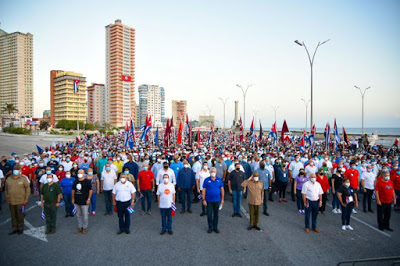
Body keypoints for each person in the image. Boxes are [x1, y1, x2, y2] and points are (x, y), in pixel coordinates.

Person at [5, 165, 30, 235]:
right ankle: (15, 228)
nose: (15, 170)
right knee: (13, 215)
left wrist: (26, 198)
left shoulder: (23, 179)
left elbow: (27, 189)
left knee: (20, 215)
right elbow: (6, 189)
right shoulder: (9, 179)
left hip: (21, 201)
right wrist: (7, 197)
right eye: (14, 169)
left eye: (17, 169)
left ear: (20, 171)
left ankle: (20, 228)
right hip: (11, 201)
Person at [202, 167, 224, 233]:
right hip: (208, 200)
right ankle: (210, 227)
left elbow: (222, 190)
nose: (213, 173)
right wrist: (203, 199)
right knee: (209, 214)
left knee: (216, 214)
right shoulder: (206, 180)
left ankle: (215, 227)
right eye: (212, 171)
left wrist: (222, 199)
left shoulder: (219, 180)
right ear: (210, 172)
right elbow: (203, 190)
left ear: (216, 172)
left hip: (217, 200)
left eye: (214, 172)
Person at [72, 170, 92, 234]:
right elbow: (73, 190)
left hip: (85, 201)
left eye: (81, 173)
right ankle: (80, 227)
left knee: (85, 215)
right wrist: (73, 199)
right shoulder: (75, 181)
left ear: (84, 174)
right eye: (78, 173)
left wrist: (88, 199)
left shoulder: (87, 182)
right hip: (77, 201)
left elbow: (90, 190)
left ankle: (85, 227)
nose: (79, 174)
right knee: (78, 215)